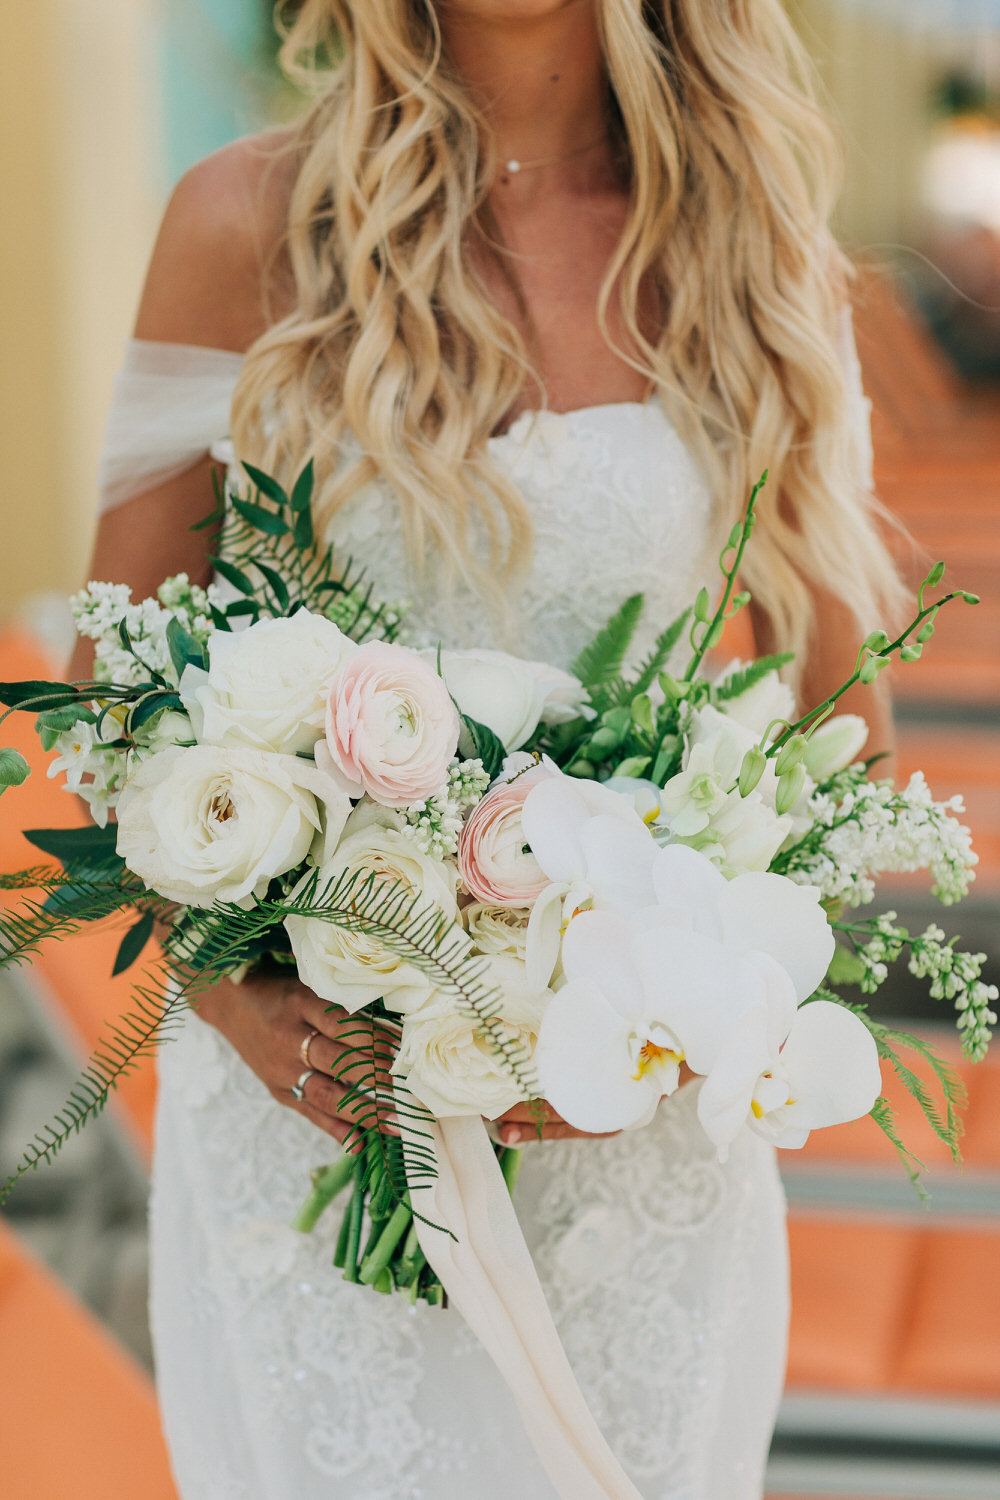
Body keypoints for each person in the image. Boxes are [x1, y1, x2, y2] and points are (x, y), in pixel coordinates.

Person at [79, 3, 900, 1495]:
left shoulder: (750, 243)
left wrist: (689, 1024)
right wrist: (244, 1006)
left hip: (633, 1146)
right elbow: (106, 717)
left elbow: (841, 737)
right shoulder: (247, 226)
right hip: (325, 1139)